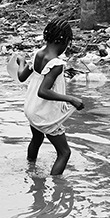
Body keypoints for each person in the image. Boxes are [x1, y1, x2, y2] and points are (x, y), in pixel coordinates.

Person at [14, 17, 84, 175]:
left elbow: (21, 77)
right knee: (64, 153)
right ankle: (56, 186)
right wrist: (71, 99)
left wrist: (21, 63)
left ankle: (30, 169)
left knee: (37, 140)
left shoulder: (38, 54)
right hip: (45, 114)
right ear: (65, 41)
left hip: (31, 109)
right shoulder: (56, 64)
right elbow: (43, 91)